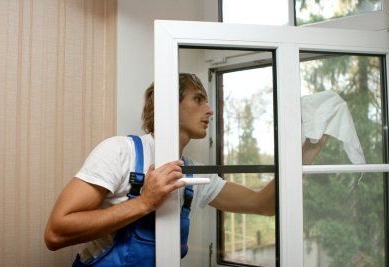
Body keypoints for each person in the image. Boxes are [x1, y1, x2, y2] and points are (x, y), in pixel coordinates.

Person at [44, 73, 327, 266]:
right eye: (198, 99)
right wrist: (145, 203)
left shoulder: (191, 175)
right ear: (170, 104)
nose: (210, 110)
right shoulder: (121, 151)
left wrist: (308, 151)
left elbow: (263, 204)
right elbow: (56, 233)